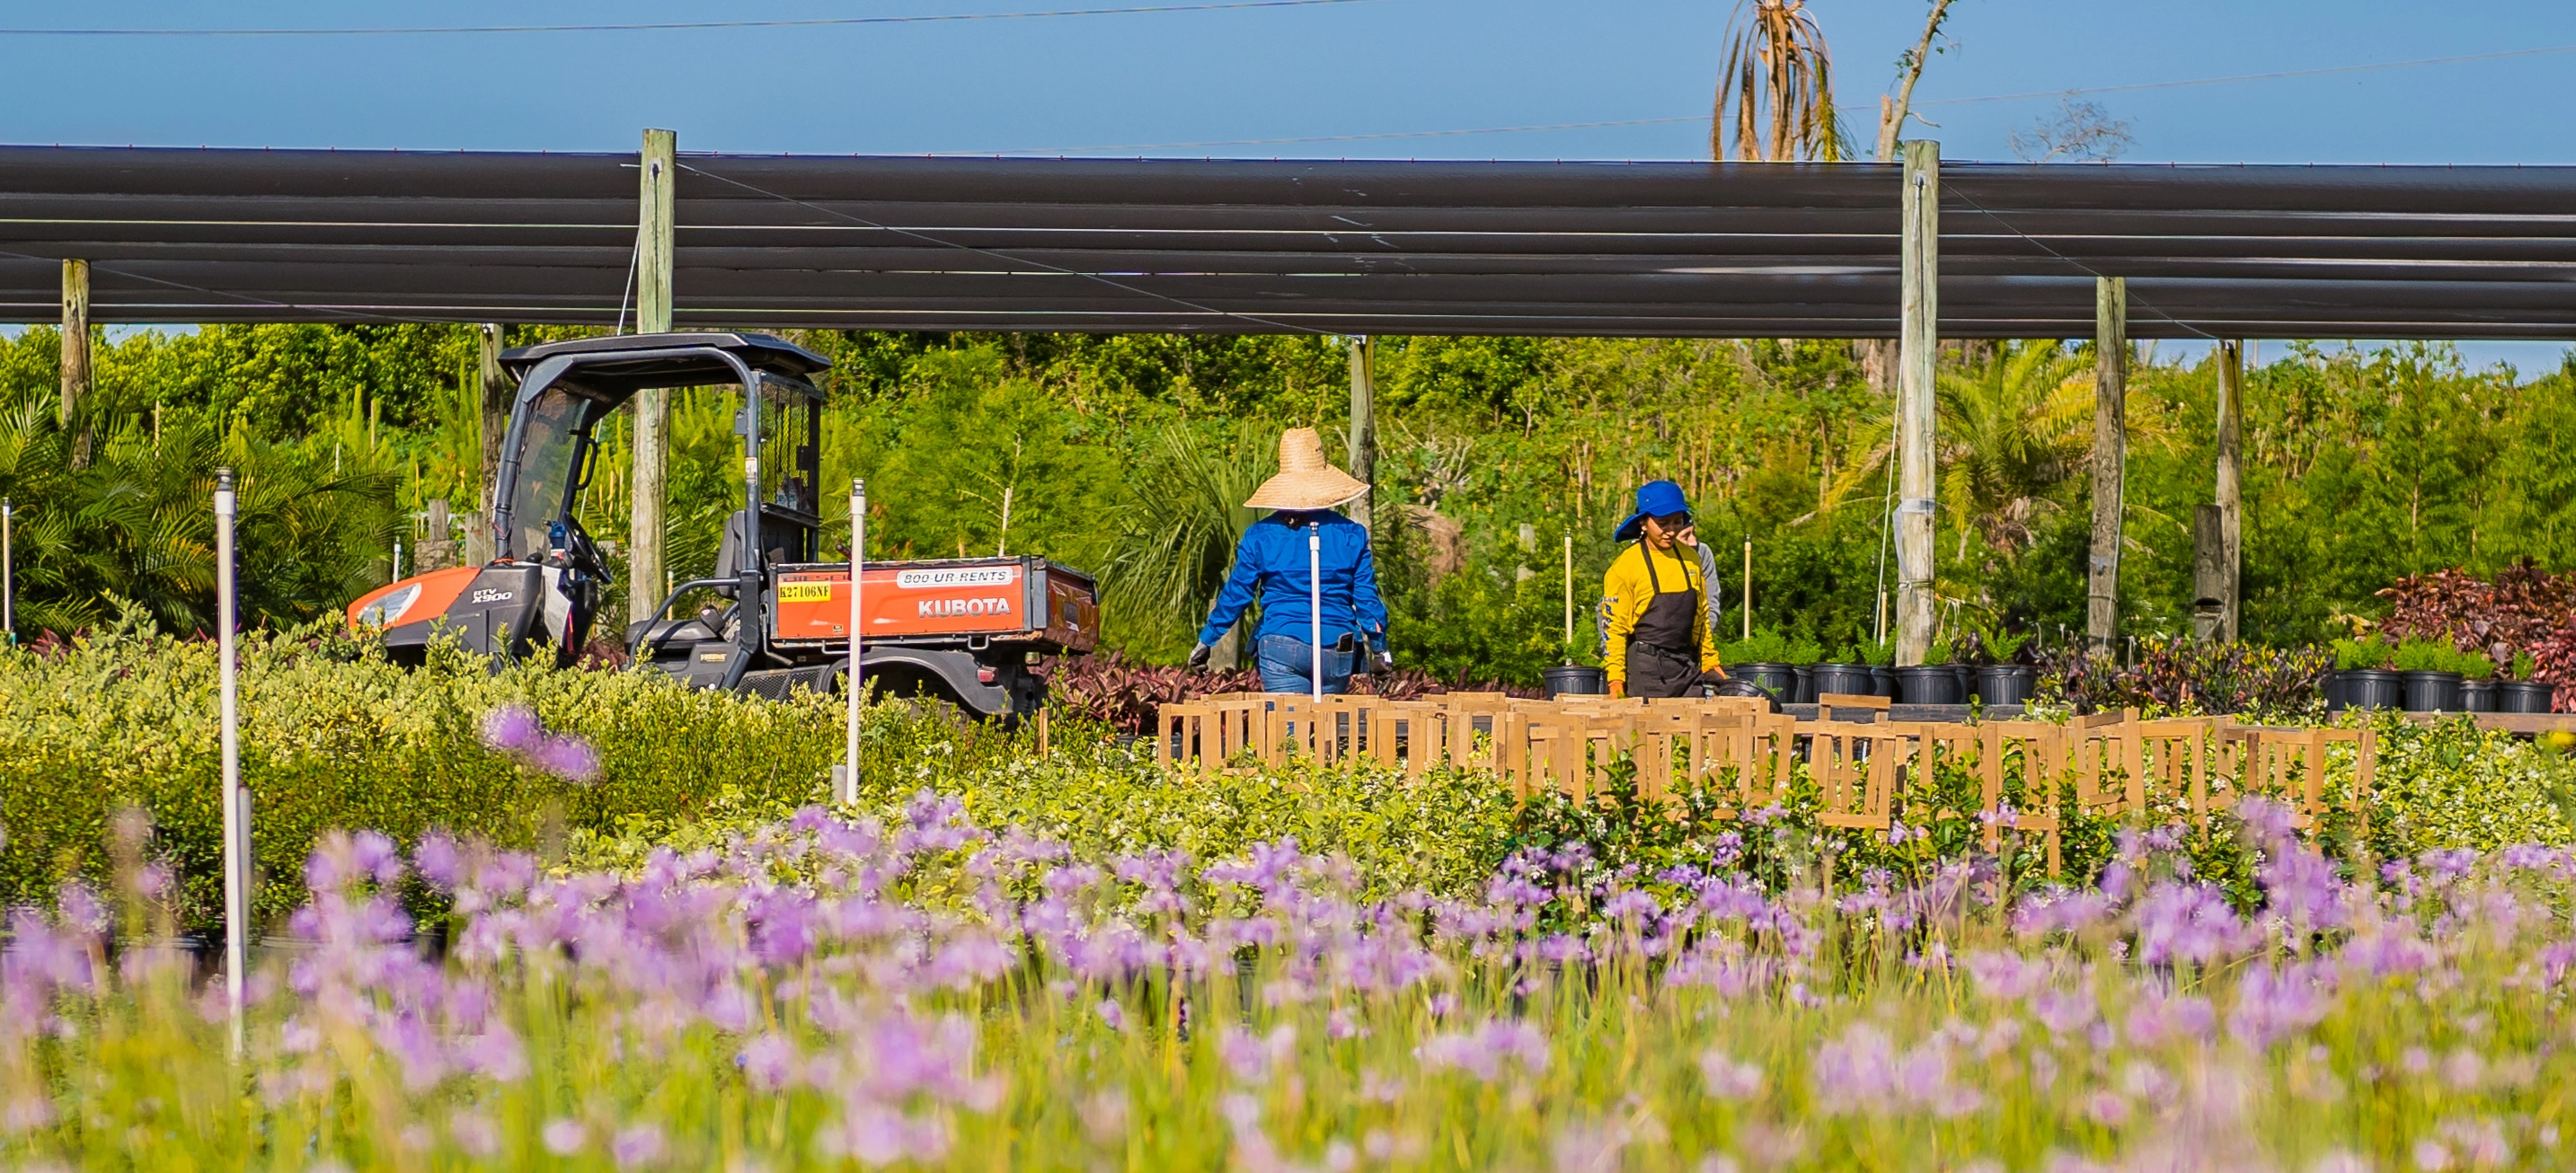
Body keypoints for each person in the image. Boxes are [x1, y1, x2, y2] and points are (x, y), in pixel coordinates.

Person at [1191, 428, 1390, 694]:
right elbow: (1367, 600)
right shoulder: (1351, 535)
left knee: (1288, 729)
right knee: (1325, 729)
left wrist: (1207, 640)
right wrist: (1381, 651)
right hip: (1336, 645)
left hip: (1281, 643)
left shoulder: (1260, 536)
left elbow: (1236, 594)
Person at [1599, 480, 1723, 700]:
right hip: (1646, 668)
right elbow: (1614, 628)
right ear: (1644, 523)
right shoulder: (1626, 566)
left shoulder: (1691, 559)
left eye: (1677, 522)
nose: (1671, 530)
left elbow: (1701, 617)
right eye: (1663, 522)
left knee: (1693, 729)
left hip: (1686, 665)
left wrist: (1710, 662)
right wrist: (1616, 680)